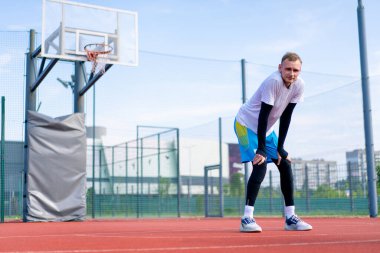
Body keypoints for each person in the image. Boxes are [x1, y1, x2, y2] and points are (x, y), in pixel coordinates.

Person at [234, 52, 312, 232]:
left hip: (267, 129)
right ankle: (247, 218)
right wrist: (261, 149)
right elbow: (264, 115)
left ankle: (290, 218)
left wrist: (280, 148)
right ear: (280, 68)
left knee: (284, 163)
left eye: (296, 70)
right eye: (288, 69)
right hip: (245, 125)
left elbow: (286, 116)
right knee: (260, 164)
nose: (291, 73)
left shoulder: (299, 85)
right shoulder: (273, 81)